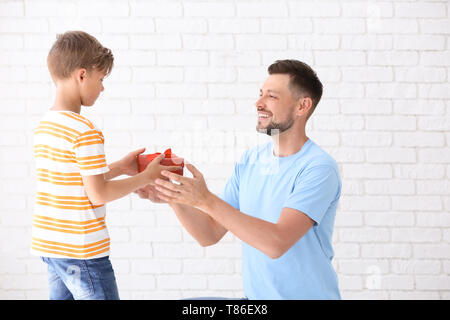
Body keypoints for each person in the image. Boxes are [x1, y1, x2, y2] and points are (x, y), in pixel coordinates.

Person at [137, 59, 342, 299]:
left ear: (302, 106)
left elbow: (276, 243)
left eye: (272, 97)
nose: (259, 103)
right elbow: (209, 234)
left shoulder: (318, 168)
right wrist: (173, 195)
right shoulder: (251, 160)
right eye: (260, 94)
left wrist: (205, 200)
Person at [32, 31, 179, 300]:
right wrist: (146, 177)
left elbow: (73, 179)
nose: (102, 88)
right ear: (81, 75)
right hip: (82, 251)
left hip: (52, 247)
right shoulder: (84, 130)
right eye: (100, 79)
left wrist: (120, 168)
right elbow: (98, 193)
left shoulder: (45, 126)